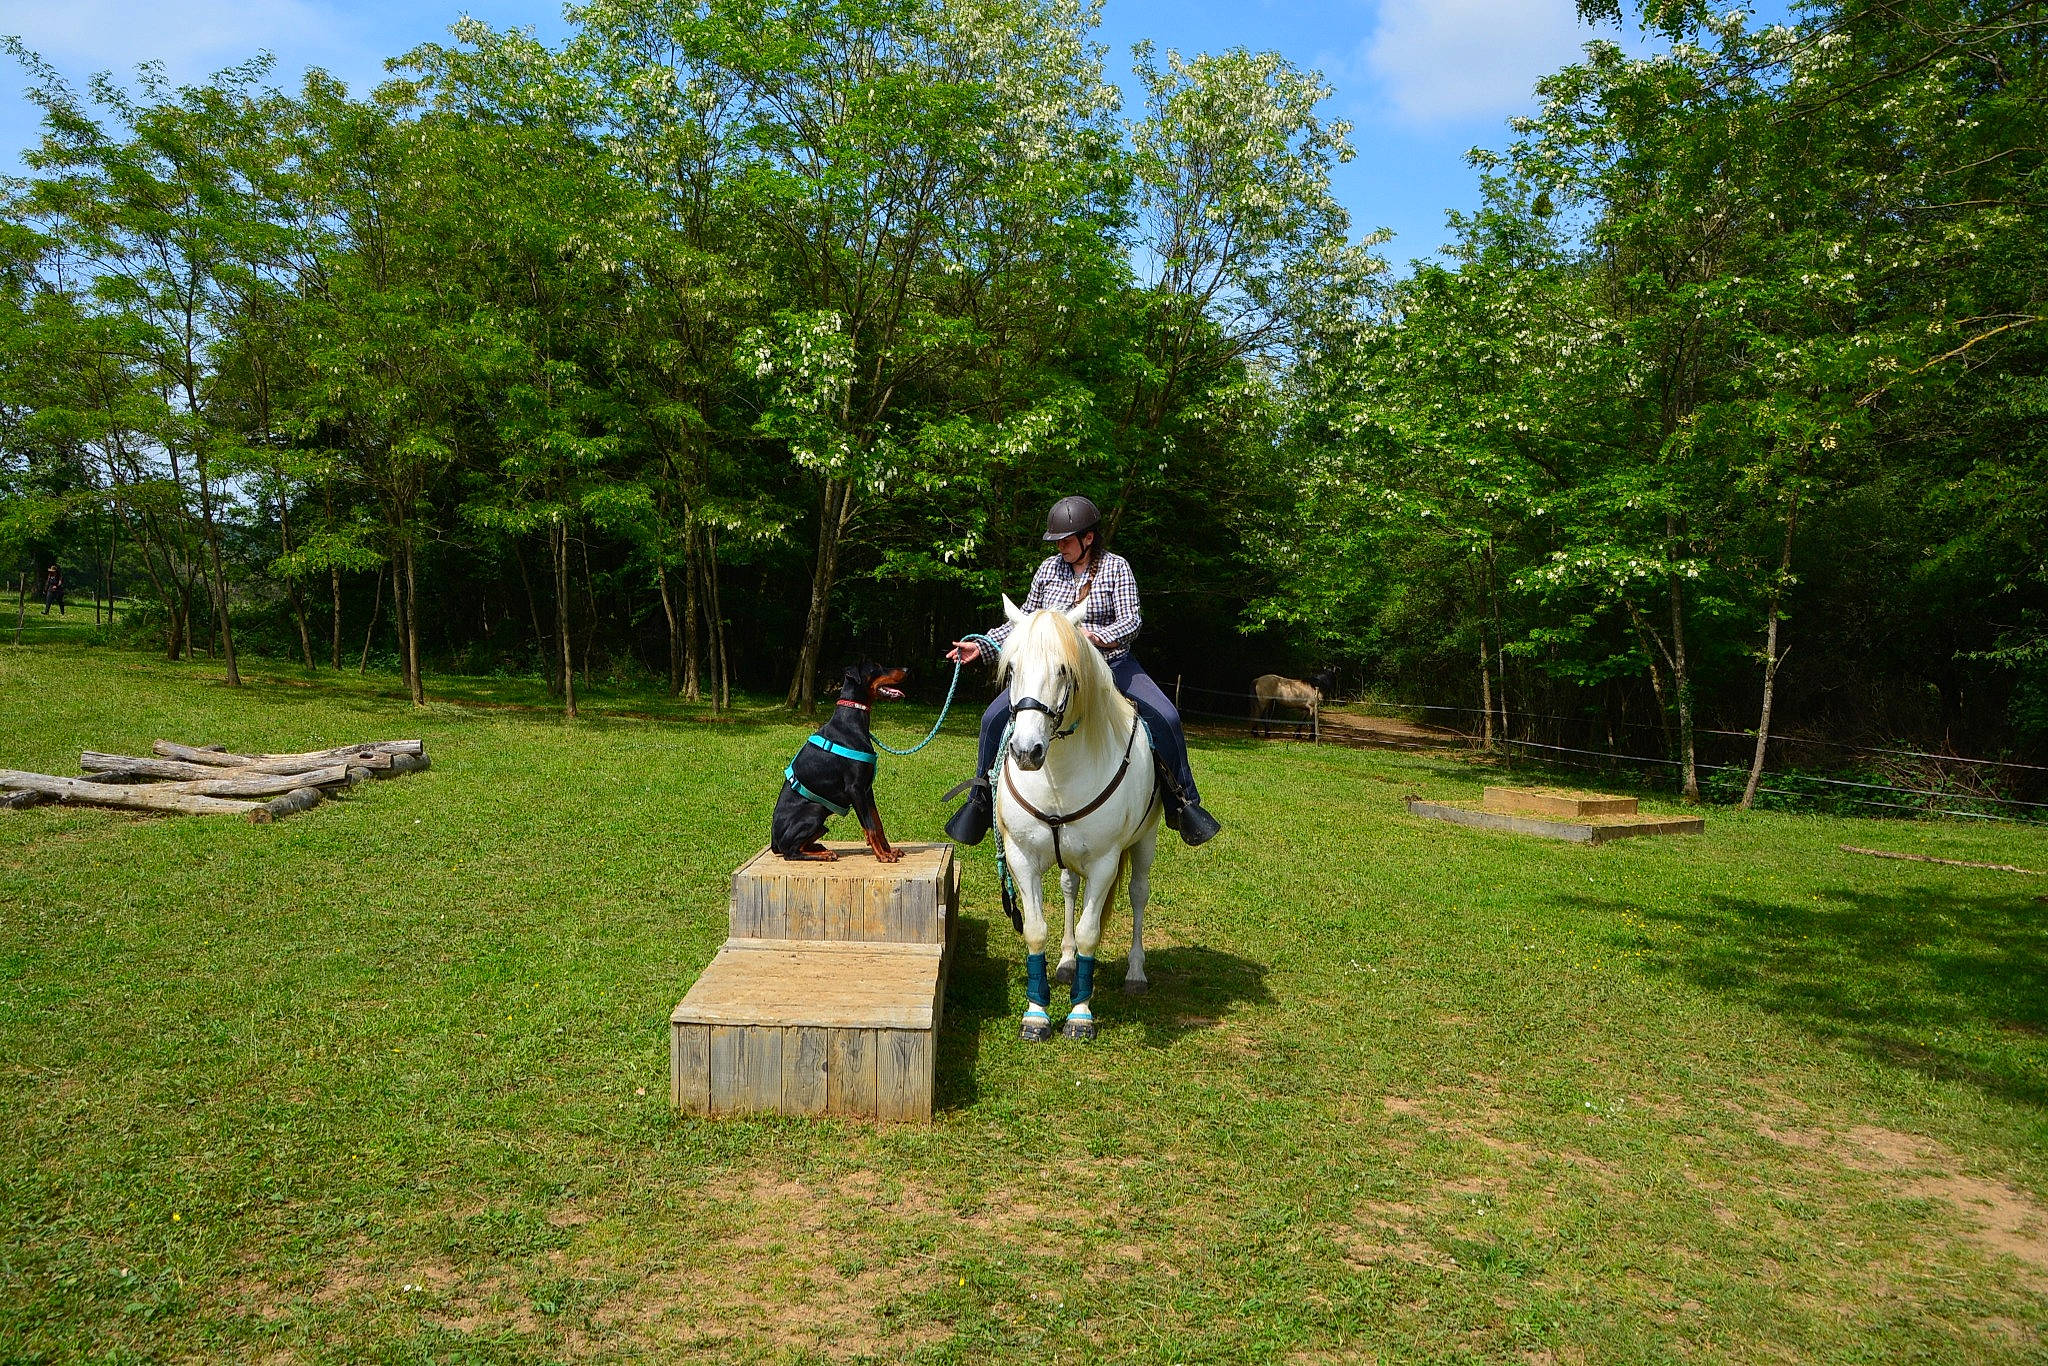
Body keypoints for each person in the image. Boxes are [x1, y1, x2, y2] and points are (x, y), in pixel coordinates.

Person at [943, 495, 1221, 847]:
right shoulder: (1048, 569)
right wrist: (981, 646)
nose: (1060, 546)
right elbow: (1025, 622)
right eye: (1057, 541)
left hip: (1111, 665)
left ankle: (1183, 803)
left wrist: (1093, 637)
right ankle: (980, 802)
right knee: (991, 719)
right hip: (1054, 675)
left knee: (1166, 717)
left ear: (1088, 538)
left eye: (1066, 540)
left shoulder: (1116, 567)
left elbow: (1131, 621)